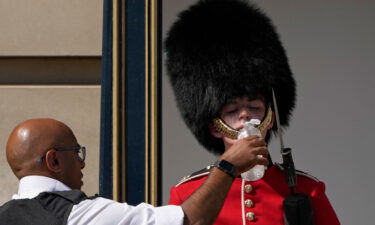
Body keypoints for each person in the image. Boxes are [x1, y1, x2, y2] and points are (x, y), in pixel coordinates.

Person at [164, 0, 340, 224]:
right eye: (233, 109)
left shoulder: (308, 189)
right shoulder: (187, 192)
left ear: (270, 118)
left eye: (255, 107)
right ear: (214, 127)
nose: (246, 115)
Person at [0, 118, 269, 225]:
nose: (82, 164)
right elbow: (189, 220)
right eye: (76, 153)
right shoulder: (79, 214)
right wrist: (227, 166)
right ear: (54, 161)